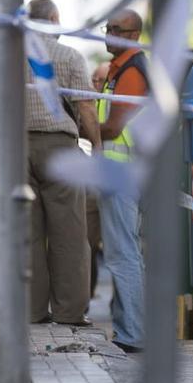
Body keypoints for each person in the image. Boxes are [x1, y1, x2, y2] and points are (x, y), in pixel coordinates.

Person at [25, 0, 101, 326]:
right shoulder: (69, 56)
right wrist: (96, 147)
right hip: (60, 147)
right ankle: (69, 313)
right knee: (69, 232)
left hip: (16, 147)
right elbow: (85, 106)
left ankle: (31, 310)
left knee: (25, 233)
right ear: (55, 19)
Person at [97, 9, 148, 353]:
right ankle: (126, 331)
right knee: (124, 252)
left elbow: (114, 127)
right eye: (107, 27)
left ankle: (132, 335)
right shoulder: (121, 69)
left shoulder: (132, 71)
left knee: (122, 254)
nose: (108, 34)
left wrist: (83, 125)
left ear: (133, 35)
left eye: (117, 29)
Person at [88, 62, 110, 298]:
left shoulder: (114, 105)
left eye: (100, 80)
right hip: (90, 188)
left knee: (119, 251)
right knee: (88, 246)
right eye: (93, 79)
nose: (95, 84)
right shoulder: (84, 104)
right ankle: (85, 299)